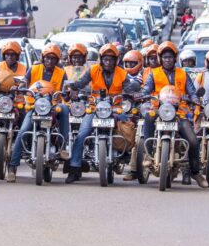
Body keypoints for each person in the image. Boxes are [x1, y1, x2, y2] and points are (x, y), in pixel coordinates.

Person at [140, 42, 209, 188]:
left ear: (175, 58)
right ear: (160, 58)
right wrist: (143, 95)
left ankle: (195, 172)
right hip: (159, 109)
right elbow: (146, 89)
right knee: (148, 117)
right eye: (165, 57)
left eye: (170, 57)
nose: (167, 60)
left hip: (179, 112)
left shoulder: (183, 73)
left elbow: (191, 91)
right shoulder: (154, 73)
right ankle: (148, 153)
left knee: (193, 140)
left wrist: (195, 99)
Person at [7, 44, 71, 183]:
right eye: (47, 58)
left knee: (65, 109)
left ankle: (64, 146)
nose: (50, 61)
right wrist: (21, 87)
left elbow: (66, 89)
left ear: (57, 60)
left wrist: (68, 93)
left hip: (53, 107)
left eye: (53, 58)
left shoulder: (61, 72)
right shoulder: (34, 69)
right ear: (43, 58)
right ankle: (12, 167)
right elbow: (24, 81)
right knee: (23, 131)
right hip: (34, 106)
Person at [65, 44, 129, 182]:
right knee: (82, 134)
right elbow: (82, 82)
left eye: (111, 59)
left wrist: (132, 88)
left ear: (116, 60)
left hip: (115, 109)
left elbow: (129, 85)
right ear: (101, 59)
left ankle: (124, 154)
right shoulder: (93, 70)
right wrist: (74, 86)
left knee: (127, 127)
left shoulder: (122, 73)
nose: (108, 62)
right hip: (94, 108)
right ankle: (74, 169)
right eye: (105, 59)